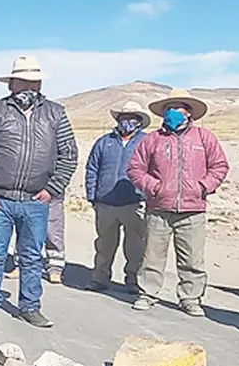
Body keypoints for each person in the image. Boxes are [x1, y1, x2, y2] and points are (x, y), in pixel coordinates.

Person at [0, 56, 79, 328]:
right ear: (11, 84)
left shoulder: (55, 113)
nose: (28, 86)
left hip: (36, 200)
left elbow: (69, 154)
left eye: (33, 81)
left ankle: (30, 306)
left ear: (39, 83)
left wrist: (53, 188)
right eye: (22, 81)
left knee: (31, 256)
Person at [127, 89, 229, 316]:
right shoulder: (152, 139)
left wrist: (202, 186)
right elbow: (135, 168)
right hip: (158, 208)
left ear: (189, 112)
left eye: (178, 108)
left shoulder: (204, 138)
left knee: (192, 258)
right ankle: (148, 294)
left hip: (193, 209)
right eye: (168, 109)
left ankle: (190, 298)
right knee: (152, 255)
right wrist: (154, 187)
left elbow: (219, 166)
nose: (173, 112)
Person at [84, 100, 148, 293]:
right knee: (104, 244)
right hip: (105, 203)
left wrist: (147, 196)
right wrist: (92, 196)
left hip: (134, 202)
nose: (127, 121)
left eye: (132, 118)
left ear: (139, 121)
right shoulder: (104, 142)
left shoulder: (146, 142)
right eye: (124, 117)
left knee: (135, 246)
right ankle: (100, 278)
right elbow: (92, 169)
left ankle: (133, 280)